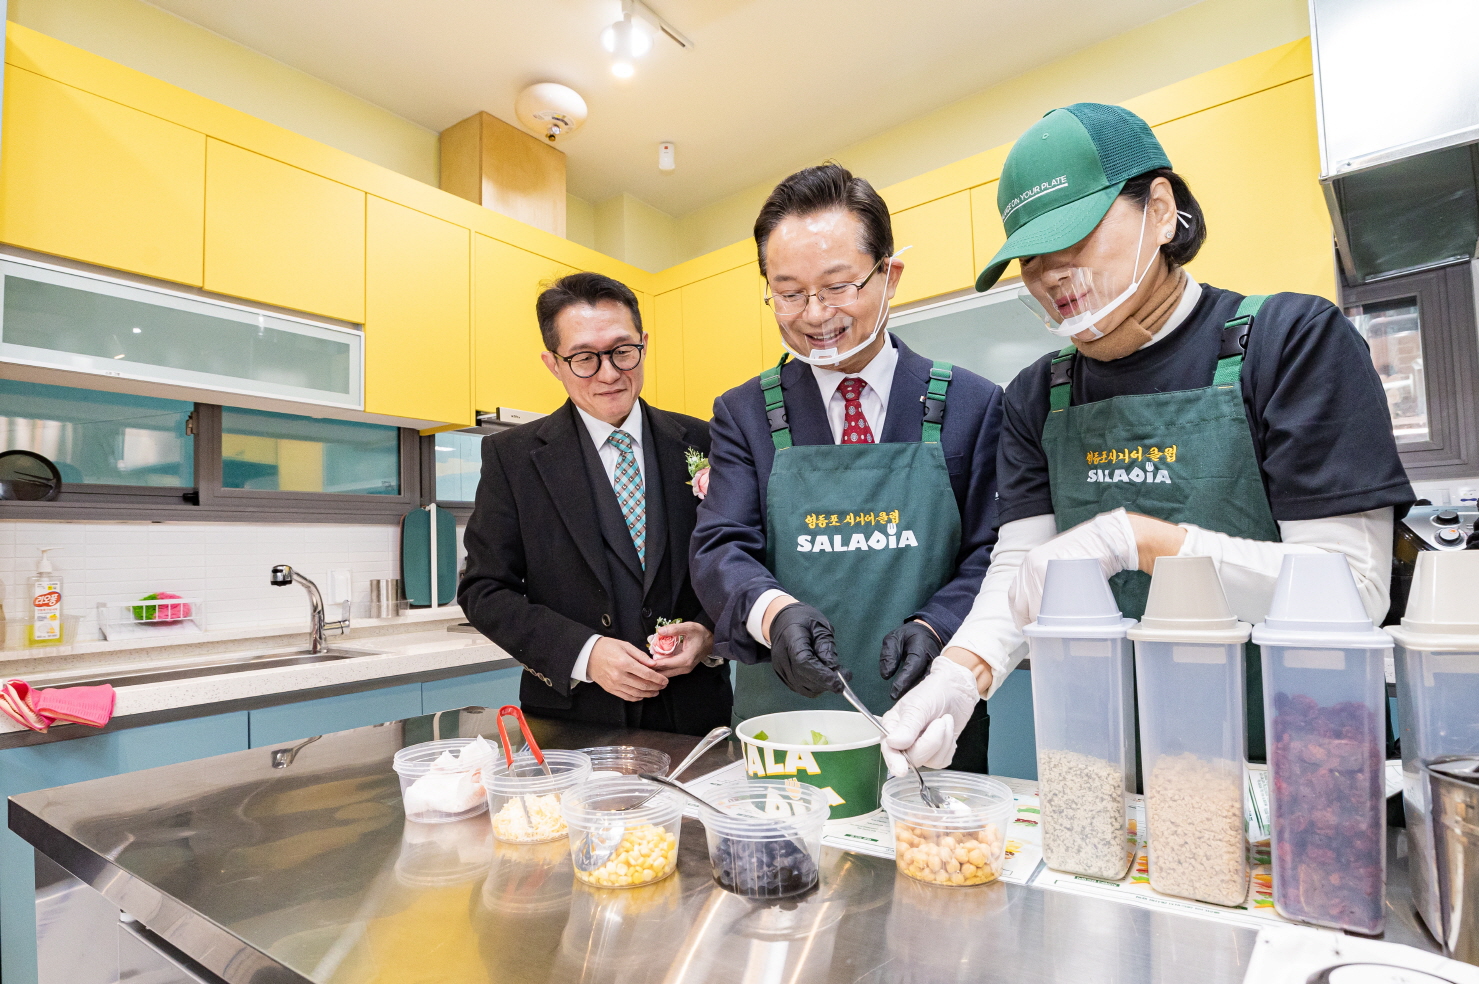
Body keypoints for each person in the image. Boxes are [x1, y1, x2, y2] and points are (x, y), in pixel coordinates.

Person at [881, 103, 1413, 776]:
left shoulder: (1290, 343)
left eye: (1074, 237)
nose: (1051, 274)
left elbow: (1351, 593)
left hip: (1288, 762)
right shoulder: (1035, 397)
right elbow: (1021, 571)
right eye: (1030, 258)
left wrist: (1135, 541)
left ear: (1160, 211)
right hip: (1107, 767)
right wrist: (962, 674)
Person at [689, 164, 1004, 770]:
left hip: (930, 720)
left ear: (890, 276)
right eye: (788, 293)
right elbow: (719, 546)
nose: (814, 315)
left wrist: (937, 625)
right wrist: (773, 614)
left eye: (837, 286)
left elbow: (993, 553)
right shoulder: (744, 413)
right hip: (785, 729)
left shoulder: (973, 404)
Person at [458, 272, 732, 735]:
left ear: (644, 344)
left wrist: (708, 634)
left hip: (695, 712)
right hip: (574, 720)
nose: (609, 374)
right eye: (584, 358)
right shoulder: (512, 458)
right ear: (553, 364)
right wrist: (584, 653)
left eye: (623, 351)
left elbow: (739, 557)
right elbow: (484, 589)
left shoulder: (706, 441)